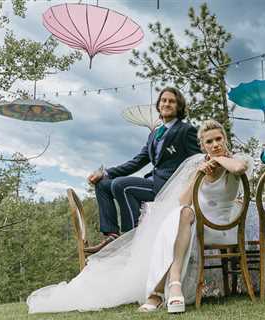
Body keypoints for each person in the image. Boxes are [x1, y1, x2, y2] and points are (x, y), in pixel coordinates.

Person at [27, 119, 253, 314]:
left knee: (180, 218)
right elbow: (184, 200)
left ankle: (156, 293)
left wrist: (218, 159)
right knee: (179, 214)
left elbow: (239, 168)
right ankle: (172, 283)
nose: (215, 145)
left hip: (222, 223)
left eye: (218, 139)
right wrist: (199, 173)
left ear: (225, 140)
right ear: (202, 146)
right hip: (193, 219)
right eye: (209, 142)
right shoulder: (199, 165)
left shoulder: (236, 159)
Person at [85, 87, 201, 253]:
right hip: (153, 182)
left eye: (172, 101)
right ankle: (111, 234)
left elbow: (198, 160)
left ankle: (130, 237)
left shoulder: (186, 130)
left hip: (171, 187)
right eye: (164, 100)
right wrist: (105, 173)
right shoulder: (154, 134)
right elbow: (137, 161)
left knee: (121, 185)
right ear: (159, 105)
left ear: (179, 106)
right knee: (103, 184)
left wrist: (186, 186)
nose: (167, 103)